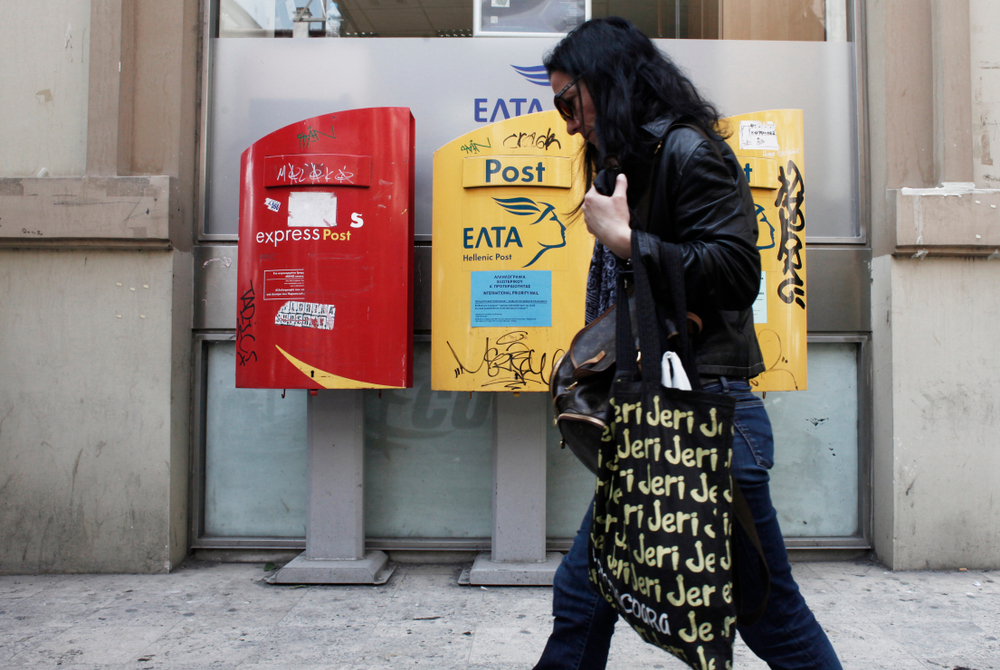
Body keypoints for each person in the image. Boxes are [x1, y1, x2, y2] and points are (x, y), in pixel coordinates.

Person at [535, 17, 843, 670]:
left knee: (768, 614)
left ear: (609, 82)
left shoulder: (689, 152)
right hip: (669, 411)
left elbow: (736, 271)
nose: (566, 122)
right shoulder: (631, 163)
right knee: (585, 590)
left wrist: (624, 240)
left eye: (570, 101)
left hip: (709, 417)